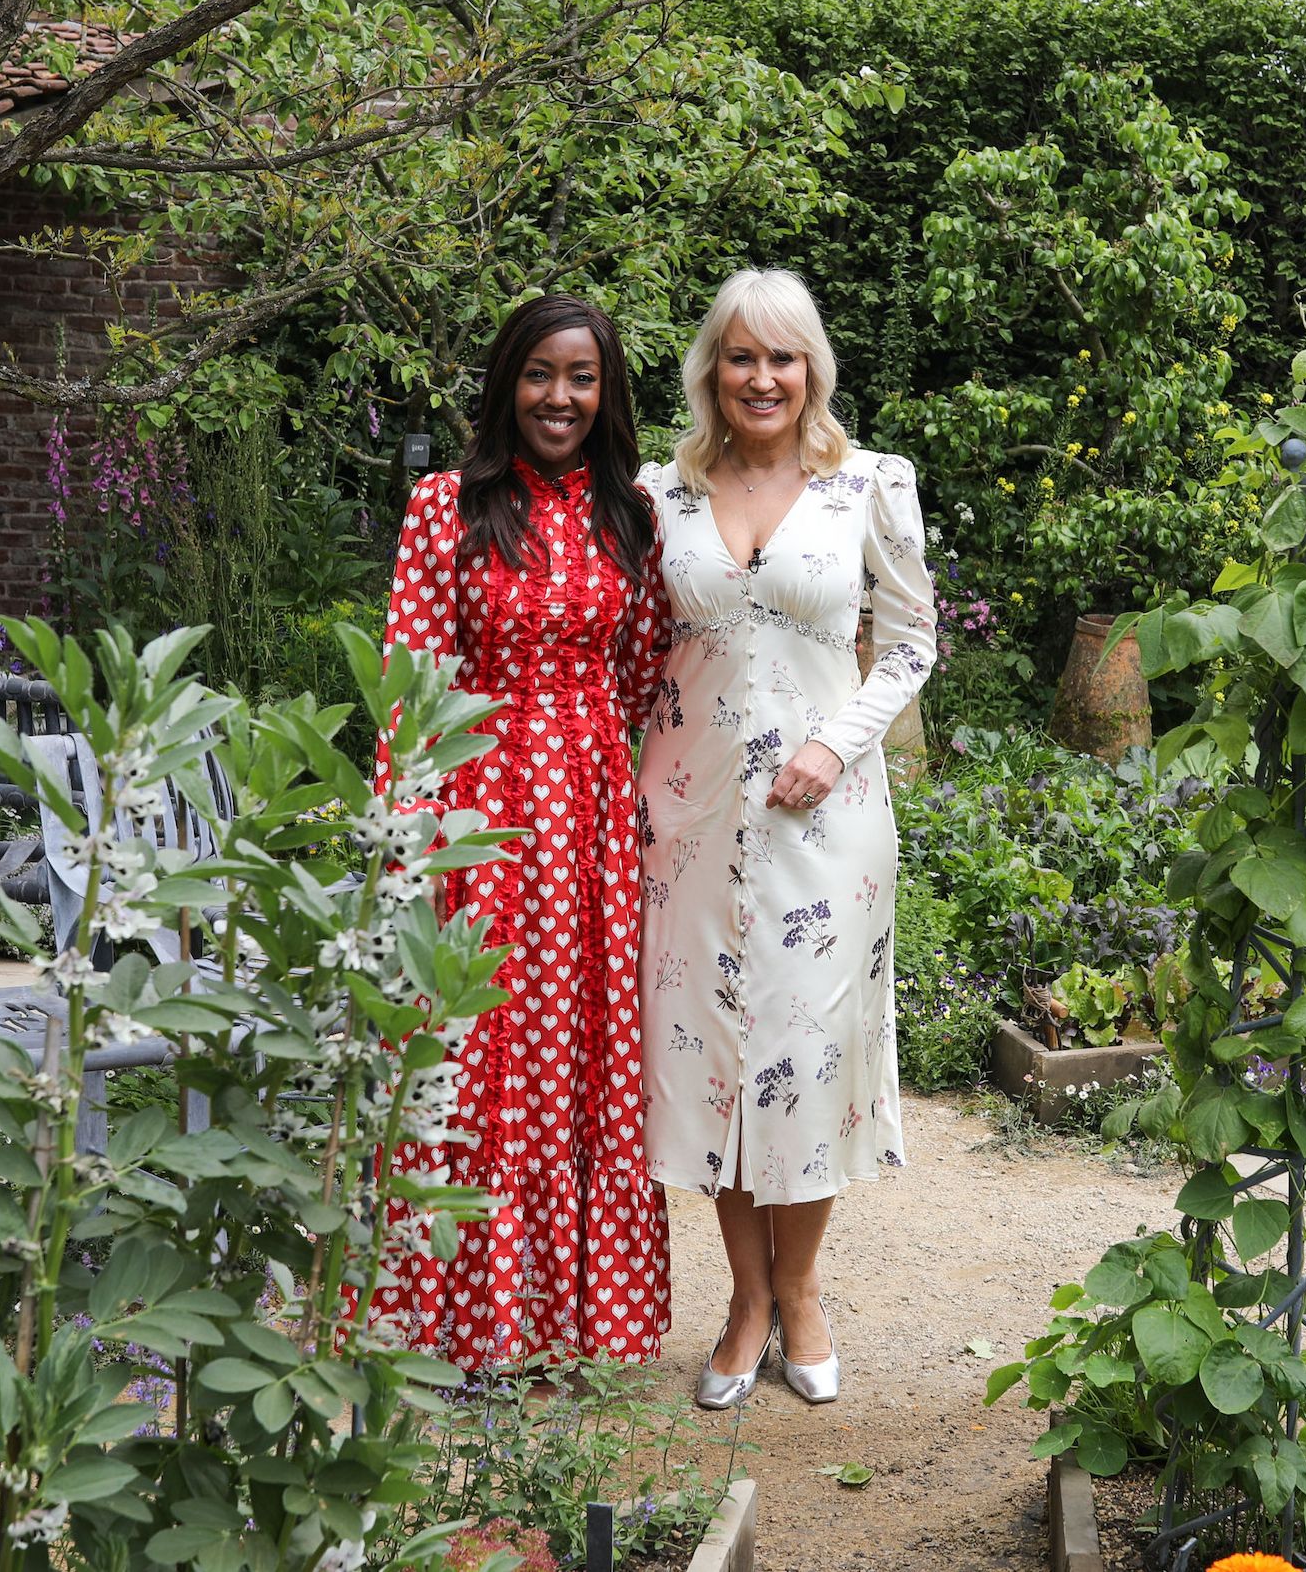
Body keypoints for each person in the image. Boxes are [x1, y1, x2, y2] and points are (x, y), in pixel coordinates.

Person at [635, 268, 935, 1407]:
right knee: (715, 1052)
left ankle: (800, 1292)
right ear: (711, 369)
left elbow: (910, 644)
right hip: (691, 823)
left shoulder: (868, 484)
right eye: (740, 356)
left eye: (784, 357)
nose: (763, 377)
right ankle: (743, 1299)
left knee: (808, 1056)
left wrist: (837, 741)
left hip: (828, 826)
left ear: (814, 368)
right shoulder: (658, 491)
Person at [368, 294, 672, 1367]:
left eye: (582, 378)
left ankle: (570, 1325)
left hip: (586, 827)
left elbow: (642, 677)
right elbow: (410, 681)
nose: (560, 398)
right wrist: (407, 838)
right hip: (477, 813)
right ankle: (462, 1322)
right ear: (509, 382)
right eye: (541, 374)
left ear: (607, 392)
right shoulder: (447, 505)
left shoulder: (631, 511)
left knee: (581, 1049)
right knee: (475, 1048)